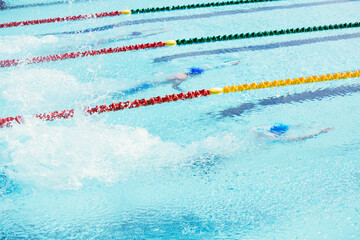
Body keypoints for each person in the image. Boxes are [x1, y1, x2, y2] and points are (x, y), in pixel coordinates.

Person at [116, 60, 241, 96]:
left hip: (153, 81)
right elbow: (174, 85)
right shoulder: (183, 77)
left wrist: (230, 63)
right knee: (128, 92)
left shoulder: (183, 72)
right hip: (152, 84)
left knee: (130, 89)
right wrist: (183, 93)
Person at [254, 123, 334, 142]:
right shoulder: (273, 136)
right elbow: (297, 139)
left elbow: (293, 125)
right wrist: (319, 132)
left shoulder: (264, 129)